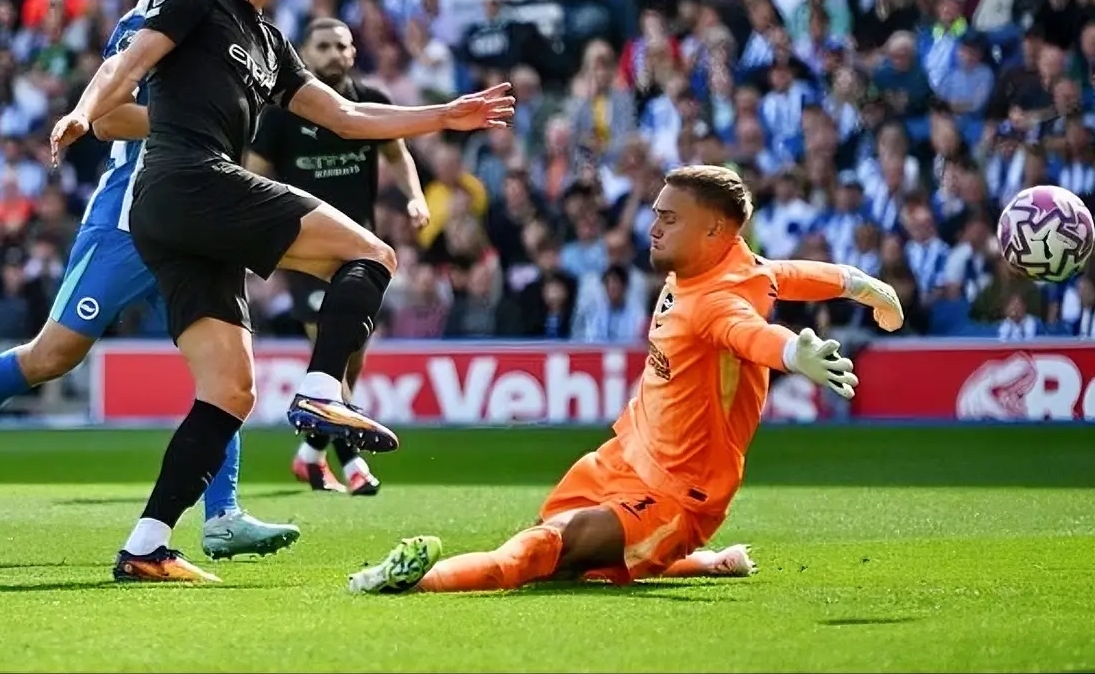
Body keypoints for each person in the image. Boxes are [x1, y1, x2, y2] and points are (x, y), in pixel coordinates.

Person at [50, 0, 514, 583]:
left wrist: (443, 115)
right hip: (188, 179)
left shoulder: (271, 44)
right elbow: (132, 60)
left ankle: (145, 545)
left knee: (229, 391)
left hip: (181, 215)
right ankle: (324, 388)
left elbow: (349, 115)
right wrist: (85, 111)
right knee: (372, 254)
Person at [0, 0, 300, 562]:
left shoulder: (226, 24)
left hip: (194, 219)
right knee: (53, 354)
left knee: (221, 368)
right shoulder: (147, 19)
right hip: (128, 221)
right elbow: (107, 119)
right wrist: (193, 123)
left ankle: (222, 514)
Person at [346, 165, 905, 594]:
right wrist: (863, 285)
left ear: (712, 229)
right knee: (554, 549)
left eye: (668, 218)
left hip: (677, 495)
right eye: (655, 213)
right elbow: (790, 275)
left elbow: (747, 333)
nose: (652, 227)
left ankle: (410, 580)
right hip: (625, 454)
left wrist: (792, 354)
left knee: (544, 550)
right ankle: (703, 565)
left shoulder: (715, 301)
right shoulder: (727, 265)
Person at [247, 17, 430, 497]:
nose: (332, 53)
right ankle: (352, 465)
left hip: (360, 251)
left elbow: (398, 154)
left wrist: (415, 197)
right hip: (304, 250)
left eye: (341, 46)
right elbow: (254, 176)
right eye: (322, 45)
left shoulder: (371, 102)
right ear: (305, 53)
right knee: (330, 347)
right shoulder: (281, 113)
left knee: (349, 359)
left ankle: (309, 456)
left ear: (352, 54)